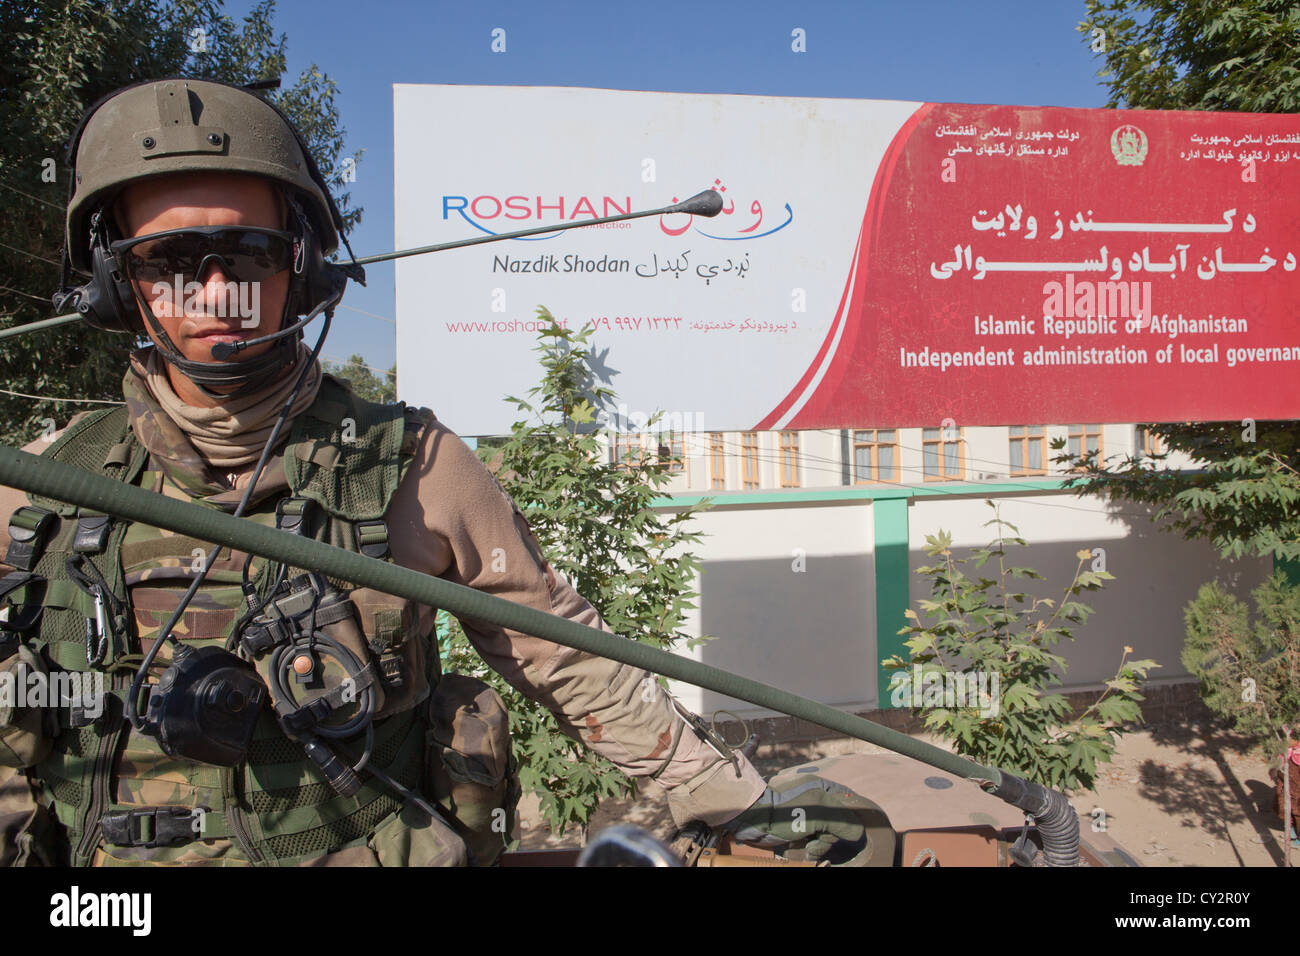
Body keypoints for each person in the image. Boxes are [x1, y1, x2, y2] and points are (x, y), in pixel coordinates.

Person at [0, 77, 874, 866]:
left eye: (250, 253)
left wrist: (736, 797)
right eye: (169, 262)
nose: (215, 287)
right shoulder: (45, 480)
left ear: (300, 268)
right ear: (118, 284)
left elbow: (564, 653)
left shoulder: (416, 466)